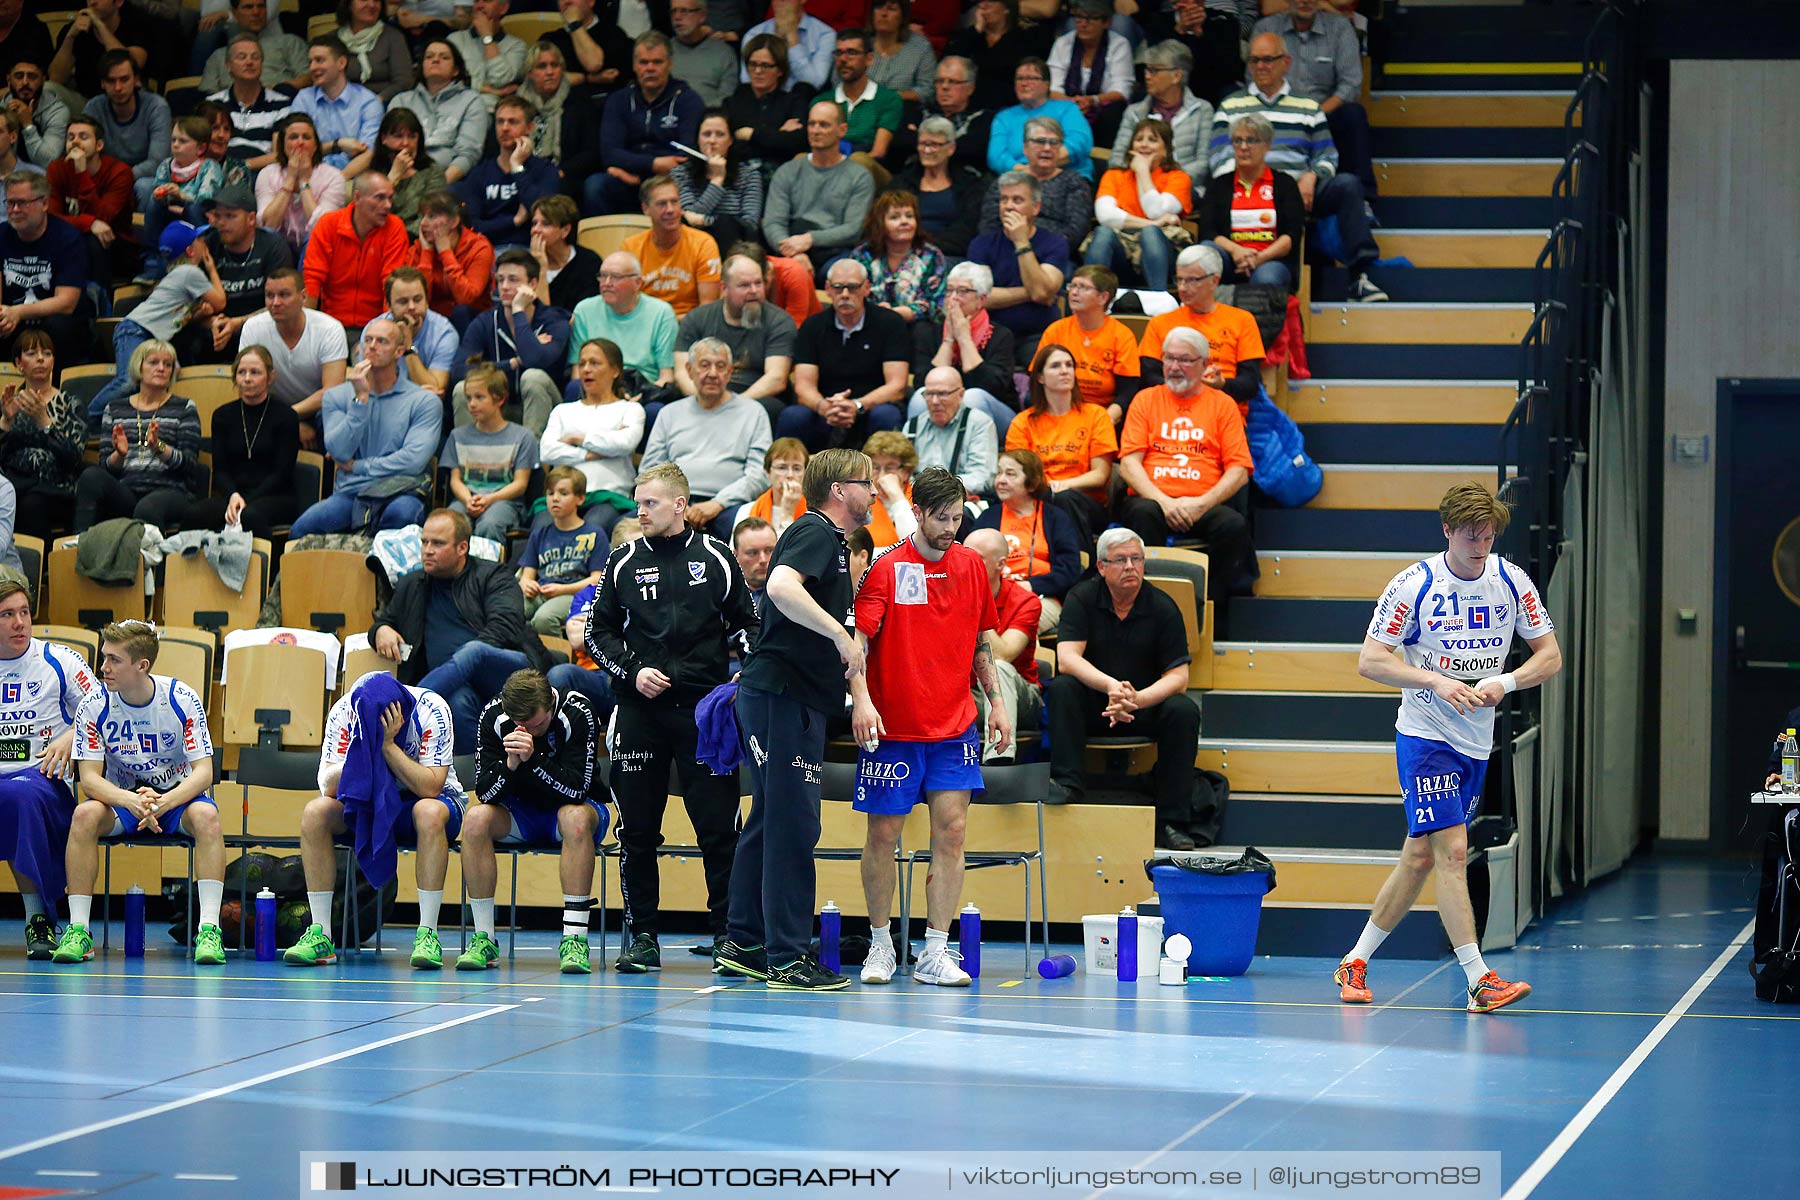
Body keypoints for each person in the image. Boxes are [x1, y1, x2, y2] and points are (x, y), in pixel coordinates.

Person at [1341, 483, 1562, 1014]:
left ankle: (1355, 960)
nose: (1480, 547)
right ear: (1446, 531)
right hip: (1425, 736)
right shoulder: (1414, 585)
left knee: (1420, 857)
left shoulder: (1511, 581)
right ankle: (1478, 979)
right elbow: (1371, 661)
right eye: (1470, 536)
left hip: (1475, 740)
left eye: (1488, 537)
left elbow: (1550, 656)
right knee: (1454, 852)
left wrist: (1505, 683)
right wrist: (1433, 682)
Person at [587, 462, 758, 970]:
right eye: (637, 502)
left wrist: (748, 675)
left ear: (680, 505)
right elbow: (597, 634)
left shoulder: (718, 557)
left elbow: (746, 626)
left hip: (705, 714)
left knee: (718, 830)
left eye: (650, 503)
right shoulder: (621, 560)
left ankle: (729, 936)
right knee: (637, 832)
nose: (639, 511)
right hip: (640, 712)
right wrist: (634, 669)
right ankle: (643, 938)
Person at [852, 465, 1010, 992]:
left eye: (958, 517)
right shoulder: (886, 569)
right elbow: (859, 646)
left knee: (954, 832)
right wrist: (862, 703)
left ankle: (936, 952)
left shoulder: (970, 566)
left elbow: (981, 643)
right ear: (916, 512)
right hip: (893, 727)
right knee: (884, 836)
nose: (950, 527)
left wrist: (998, 704)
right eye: (941, 517)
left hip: (954, 725)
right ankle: (880, 944)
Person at [718, 448, 871, 991]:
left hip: (788, 698)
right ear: (839, 491)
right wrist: (839, 634)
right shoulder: (816, 532)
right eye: (865, 484)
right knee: (792, 822)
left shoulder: (831, 542)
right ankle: (785, 955)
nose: (873, 493)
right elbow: (781, 587)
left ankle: (742, 942)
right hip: (780, 697)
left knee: (770, 817)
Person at [56, 621, 225, 967]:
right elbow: (89, 778)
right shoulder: (94, 704)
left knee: (208, 816)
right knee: (84, 815)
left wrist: (163, 801)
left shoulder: (181, 698)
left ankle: (209, 929)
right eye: (104, 657)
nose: (103, 668)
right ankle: (78, 929)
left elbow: (204, 771)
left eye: (114, 660)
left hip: (177, 799)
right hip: (124, 801)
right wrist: (132, 800)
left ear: (142, 665)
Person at [284, 671, 467, 969]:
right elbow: (327, 785)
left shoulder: (432, 708)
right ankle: (321, 934)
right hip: (368, 802)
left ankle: (427, 934)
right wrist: (363, 749)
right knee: (315, 812)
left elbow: (431, 787)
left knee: (428, 812)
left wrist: (387, 746)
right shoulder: (345, 711)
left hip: (430, 803)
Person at [1047, 527, 1204, 845]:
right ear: (1102, 566)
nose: (1131, 566)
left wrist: (1137, 699)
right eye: (1120, 560)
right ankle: (1067, 786)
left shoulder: (1163, 606)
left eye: (1137, 559)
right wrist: (1111, 688)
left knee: (1183, 710)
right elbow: (1066, 658)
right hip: (1095, 703)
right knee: (1062, 687)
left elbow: (1179, 677)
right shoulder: (1082, 597)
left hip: (1142, 706)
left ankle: (1173, 822)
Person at [1211, 33, 1385, 302]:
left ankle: (1360, 277)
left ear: (1286, 62)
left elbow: (1327, 156)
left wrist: (1312, 176)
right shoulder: (1231, 106)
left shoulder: (1307, 106)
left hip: (1301, 189)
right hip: (1247, 192)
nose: (1261, 66)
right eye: (1255, 60)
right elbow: (1219, 162)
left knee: (1348, 184)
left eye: (1268, 59)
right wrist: (1261, 186)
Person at [460, 668, 606, 972]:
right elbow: (486, 793)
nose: (530, 731)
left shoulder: (579, 711)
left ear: (550, 704)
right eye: (521, 725)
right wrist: (511, 763)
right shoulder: (494, 716)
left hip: (576, 808)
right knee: (475, 819)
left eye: (537, 725)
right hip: (520, 813)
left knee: (574, 817)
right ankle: (484, 938)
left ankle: (575, 939)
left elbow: (578, 788)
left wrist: (534, 759)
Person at [376, 507, 541, 746]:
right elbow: (385, 620)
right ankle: (471, 776)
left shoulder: (494, 576)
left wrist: (462, 663)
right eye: (424, 542)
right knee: (457, 701)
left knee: (473, 652)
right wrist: (381, 630)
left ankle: (409, 704)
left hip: (506, 671)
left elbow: (505, 627)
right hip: (452, 683)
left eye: (438, 543)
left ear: (462, 548)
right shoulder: (412, 585)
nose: (427, 550)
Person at [0, 579, 99, 960]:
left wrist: (73, 735)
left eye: (24, 613)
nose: (19, 622)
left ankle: (37, 919)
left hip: (42, 781)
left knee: (20, 796)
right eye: (8, 614)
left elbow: (104, 707)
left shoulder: (59, 660)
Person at [289, 317, 442, 536]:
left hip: (399, 491)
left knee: (402, 515)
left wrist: (358, 467)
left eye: (382, 341)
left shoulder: (423, 401)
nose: (372, 346)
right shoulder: (336, 396)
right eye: (368, 340)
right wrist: (360, 399)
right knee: (301, 530)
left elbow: (413, 461)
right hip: (351, 493)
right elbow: (339, 450)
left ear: (399, 352)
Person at [87, 222, 226, 422]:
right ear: (191, 250)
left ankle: (152, 421)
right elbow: (220, 302)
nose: (204, 242)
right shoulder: (190, 273)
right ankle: (85, 419)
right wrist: (211, 268)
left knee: (172, 371)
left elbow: (188, 315)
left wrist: (200, 313)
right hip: (136, 331)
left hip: (151, 337)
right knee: (127, 380)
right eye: (199, 240)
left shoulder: (178, 275)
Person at [639, 337, 772, 538]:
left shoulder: (754, 413)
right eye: (704, 365)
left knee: (748, 531)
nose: (712, 373)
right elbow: (650, 469)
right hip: (673, 504)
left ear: (729, 372)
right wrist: (677, 504)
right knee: (630, 527)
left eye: (720, 366)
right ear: (689, 370)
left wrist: (718, 503)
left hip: (730, 505)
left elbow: (760, 474)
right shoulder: (669, 413)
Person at [76, 339, 203, 532]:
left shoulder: (184, 407)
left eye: (167, 364)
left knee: (147, 508)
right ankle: (79, 547)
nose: (161, 368)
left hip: (170, 491)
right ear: (139, 367)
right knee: (90, 476)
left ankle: (150, 562)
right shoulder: (115, 408)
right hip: (127, 489)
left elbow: (190, 466)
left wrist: (159, 448)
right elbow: (106, 467)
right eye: (154, 362)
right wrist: (119, 455)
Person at [785, 257, 909, 450]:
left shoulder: (890, 323)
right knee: (793, 416)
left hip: (872, 407)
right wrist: (824, 407)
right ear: (827, 289)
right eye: (837, 287)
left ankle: (886, 477)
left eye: (852, 287)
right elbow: (803, 386)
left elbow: (897, 386)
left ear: (866, 288)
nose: (844, 294)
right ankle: (787, 477)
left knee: (887, 415)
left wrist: (857, 405)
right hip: (827, 410)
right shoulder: (812, 326)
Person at [1254, 0, 1374, 198]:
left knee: (1353, 114)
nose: (1305, 1)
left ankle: (1364, 198)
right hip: (1276, 110)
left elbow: (1350, 85)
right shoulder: (1266, 28)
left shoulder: (1340, 27)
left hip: (1325, 112)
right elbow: (1255, 79)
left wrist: (1314, 114)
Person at [183, 344, 303, 537]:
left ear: (270, 377)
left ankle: (268, 566)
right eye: (242, 372)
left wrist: (245, 502)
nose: (247, 379)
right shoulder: (222, 415)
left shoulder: (286, 416)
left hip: (276, 495)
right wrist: (233, 496)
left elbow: (281, 473)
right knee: (194, 515)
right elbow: (220, 469)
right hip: (233, 495)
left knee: (249, 516)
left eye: (255, 372)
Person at [1006, 341, 1116, 542]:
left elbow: (1100, 475)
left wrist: (1061, 486)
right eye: (1056, 366)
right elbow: (1019, 475)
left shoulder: (1096, 415)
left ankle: (1080, 564)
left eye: (1069, 365)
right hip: (1039, 498)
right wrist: (1049, 490)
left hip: (1087, 503)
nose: (1065, 371)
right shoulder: (1023, 422)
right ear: (1040, 377)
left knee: (1064, 499)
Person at [452, 248, 570, 434]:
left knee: (533, 378)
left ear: (532, 284)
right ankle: (470, 457)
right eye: (500, 280)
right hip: (497, 409)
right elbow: (459, 371)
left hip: (545, 410)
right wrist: (512, 363)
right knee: (461, 389)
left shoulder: (553, 321)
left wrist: (518, 310)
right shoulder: (485, 322)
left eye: (513, 280)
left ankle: (532, 459)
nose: (505, 286)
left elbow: (534, 361)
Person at [762, 99, 876, 285]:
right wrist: (794, 252)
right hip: (792, 250)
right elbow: (773, 222)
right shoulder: (788, 171)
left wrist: (810, 239)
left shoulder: (859, 176)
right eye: (812, 124)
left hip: (836, 253)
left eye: (824, 125)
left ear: (842, 130)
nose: (816, 130)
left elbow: (853, 229)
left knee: (842, 273)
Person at [674, 252, 795, 427]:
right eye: (744, 285)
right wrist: (703, 401)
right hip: (704, 392)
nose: (754, 291)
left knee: (767, 408)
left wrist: (730, 405)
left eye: (758, 283)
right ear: (724, 288)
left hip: (754, 397)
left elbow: (776, 378)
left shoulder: (779, 321)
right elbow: (682, 372)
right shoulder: (697, 318)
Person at [968, 445, 1084, 626]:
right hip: (993, 598)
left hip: (1041, 597)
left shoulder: (1055, 518)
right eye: (999, 473)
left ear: (1031, 482)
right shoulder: (988, 517)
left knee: (1016, 619)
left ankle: (1005, 653)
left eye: (1010, 474)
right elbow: (969, 562)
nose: (1001, 480)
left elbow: (1069, 569)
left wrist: (1032, 585)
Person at [539, 338, 645, 533]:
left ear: (615, 371)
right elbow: (547, 452)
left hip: (608, 496)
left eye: (595, 363)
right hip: (562, 496)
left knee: (593, 528)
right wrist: (589, 454)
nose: (586, 369)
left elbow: (625, 443)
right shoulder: (562, 411)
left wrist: (577, 440)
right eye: (582, 364)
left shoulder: (630, 409)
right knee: (542, 528)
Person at [967, 169, 1070, 370]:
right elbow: (978, 298)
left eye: (1017, 200)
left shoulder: (1055, 243)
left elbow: (1041, 293)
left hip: (1037, 333)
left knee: (1045, 372)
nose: (1008, 207)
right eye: (1004, 200)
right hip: (990, 333)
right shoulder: (981, 244)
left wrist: (1021, 241)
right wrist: (1029, 292)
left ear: (1035, 207)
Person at [1138, 243, 1265, 403]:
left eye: (1192, 280)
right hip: (1171, 410)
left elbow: (1250, 384)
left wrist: (1221, 384)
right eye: (1179, 279)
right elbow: (1148, 378)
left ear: (1214, 281)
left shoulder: (1242, 320)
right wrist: (1189, 388)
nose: (1182, 288)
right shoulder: (1160, 323)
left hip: (1222, 410)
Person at [593, 32, 703, 215]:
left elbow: (685, 157)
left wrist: (640, 176)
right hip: (626, 180)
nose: (650, 68)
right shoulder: (619, 100)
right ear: (635, 66)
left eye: (657, 62)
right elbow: (610, 153)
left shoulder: (688, 101)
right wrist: (653, 164)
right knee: (595, 186)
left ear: (670, 64)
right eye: (644, 62)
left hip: (670, 182)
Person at [1195, 112, 1304, 293]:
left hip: (1270, 260)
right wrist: (1237, 251)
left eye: (1251, 140)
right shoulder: (1219, 185)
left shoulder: (1285, 184)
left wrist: (1259, 257)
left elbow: (1291, 235)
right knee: (1205, 253)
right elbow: (1208, 231)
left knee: (1266, 278)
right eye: (1238, 141)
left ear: (1267, 145)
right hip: (1229, 258)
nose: (1244, 147)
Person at [237, 268, 348, 444]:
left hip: (318, 410)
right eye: (269, 295)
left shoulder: (329, 329)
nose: (275, 302)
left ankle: (332, 471)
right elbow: (244, 382)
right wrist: (285, 420)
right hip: (269, 407)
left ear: (303, 297)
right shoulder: (253, 327)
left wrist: (288, 417)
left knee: (335, 416)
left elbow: (332, 391)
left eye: (284, 295)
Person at [963, 527, 1042, 763]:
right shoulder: (946, 595)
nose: (966, 564)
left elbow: (1003, 654)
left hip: (1020, 697)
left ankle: (998, 761)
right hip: (969, 695)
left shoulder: (1026, 602)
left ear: (1000, 564)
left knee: (1000, 667)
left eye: (976, 557)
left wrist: (976, 601)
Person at [1086, 117, 1191, 291]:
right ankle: (1092, 296)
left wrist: (1142, 171)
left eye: (1152, 140)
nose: (1144, 145)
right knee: (1103, 233)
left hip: (1164, 253)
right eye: (1139, 139)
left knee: (1151, 233)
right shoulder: (1114, 175)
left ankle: (1159, 300)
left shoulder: (1178, 178)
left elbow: (1155, 211)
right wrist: (1154, 223)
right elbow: (1105, 216)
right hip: (1122, 253)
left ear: (1166, 150)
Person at [0, 169, 89, 365]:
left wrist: (18, 312)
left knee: (59, 326)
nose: (14, 210)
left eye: (22, 203)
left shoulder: (68, 238)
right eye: (10, 203)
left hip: (57, 324)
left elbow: (66, 303)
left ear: (45, 204)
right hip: (13, 323)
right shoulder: (1, 235)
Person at [0, 332, 84, 539]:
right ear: (19, 364)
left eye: (46, 353)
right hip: (14, 486)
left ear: (53, 362)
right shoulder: (7, 404)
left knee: (31, 503)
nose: (40, 358)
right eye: (31, 353)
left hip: (57, 488)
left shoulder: (71, 404)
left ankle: (42, 568)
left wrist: (44, 422)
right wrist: (6, 422)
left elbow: (73, 459)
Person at [303, 172, 409, 334]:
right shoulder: (328, 224)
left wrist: (383, 331)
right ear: (357, 197)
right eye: (380, 198)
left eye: (390, 198)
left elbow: (391, 285)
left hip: (375, 325)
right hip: (330, 325)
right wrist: (308, 332)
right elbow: (312, 280)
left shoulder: (395, 228)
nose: (388, 205)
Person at [443, 363, 537, 542]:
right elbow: (455, 479)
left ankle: (488, 570)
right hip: (466, 500)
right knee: (450, 524)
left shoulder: (523, 436)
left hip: (505, 501)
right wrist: (468, 500)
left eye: (479, 397)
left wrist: (489, 499)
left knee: (489, 524)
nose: (472, 404)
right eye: (469, 398)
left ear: (500, 399)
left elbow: (520, 484)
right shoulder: (457, 436)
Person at [1037, 264, 1141, 424]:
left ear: (1103, 297)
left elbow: (1127, 393)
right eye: (1072, 286)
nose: (1074, 292)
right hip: (1059, 410)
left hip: (1104, 415)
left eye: (1083, 287)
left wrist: (1104, 421)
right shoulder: (1056, 330)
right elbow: (1038, 378)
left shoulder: (1122, 335)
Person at [454, 95, 560, 252]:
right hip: (487, 251)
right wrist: (515, 221)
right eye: (500, 121)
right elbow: (473, 226)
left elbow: (545, 215)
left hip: (531, 249)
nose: (505, 128)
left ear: (530, 127)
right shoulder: (479, 173)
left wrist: (517, 167)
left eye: (513, 122)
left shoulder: (544, 170)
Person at [567, 251, 679, 399]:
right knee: (573, 388)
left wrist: (640, 398)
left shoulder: (661, 313)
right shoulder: (584, 310)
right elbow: (577, 373)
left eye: (615, 277)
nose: (606, 283)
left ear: (637, 283)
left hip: (643, 389)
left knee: (654, 411)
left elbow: (666, 376)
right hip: (597, 386)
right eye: (603, 276)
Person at [978, 114, 1093, 250]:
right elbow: (988, 227)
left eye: (1054, 142)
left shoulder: (1074, 182)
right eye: (1040, 141)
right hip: (1005, 249)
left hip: (1053, 254)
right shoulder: (1007, 181)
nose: (1047, 148)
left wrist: (1033, 246)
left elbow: (1075, 232)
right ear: (1025, 148)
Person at [519, 466, 608, 633]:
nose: (555, 498)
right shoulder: (539, 534)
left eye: (563, 493)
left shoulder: (595, 534)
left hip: (575, 595)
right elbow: (526, 576)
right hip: (541, 592)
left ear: (580, 499)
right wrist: (528, 585)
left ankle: (555, 658)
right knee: (511, 611)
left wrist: (562, 589)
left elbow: (597, 580)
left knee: (544, 619)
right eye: (550, 493)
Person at [1109, 39, 1213, 182]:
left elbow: (1203, 164)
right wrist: (1143, 179)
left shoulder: (1202, 110)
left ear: (1177, 76)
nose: (1147, 76)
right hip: (1137, 187)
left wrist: (1168, 181)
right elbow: (1117, 159)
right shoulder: (1134, 112)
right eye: (1147, 69)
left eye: (1154, 70)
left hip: (1184, 190)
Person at [388, 38, 489, 184]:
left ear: (456, 70)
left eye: (444, 57)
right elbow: (387, 146)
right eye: (429, 57)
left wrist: (438, 185)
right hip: (402, 177)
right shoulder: (401, 101)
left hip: (448, 181)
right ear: (421, 66)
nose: (435, 60)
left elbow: (468, 154)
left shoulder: (471, 101)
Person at [624, 174, 723, 319]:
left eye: (674, 202)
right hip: (645, 327)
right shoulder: (631, 247)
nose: (670, 210)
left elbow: (707, 310)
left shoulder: (703, 244)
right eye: (662, 204)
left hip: (690, 328)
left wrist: (668, 323)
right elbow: (626, 304)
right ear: (646, 209)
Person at [883, 115, 984, 258]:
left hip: (948, 256)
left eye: (934, 145)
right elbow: (882, 220)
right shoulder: (901, 183)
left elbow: (967, 230)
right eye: (923, 144)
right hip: (902, 253)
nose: (927, 150)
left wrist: (924, 245)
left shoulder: (969, 186)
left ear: (951, 148)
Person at [48, 116, 134, 280]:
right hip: (69, 237)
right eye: (70, 137)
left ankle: (99, 300)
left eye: (83, 137)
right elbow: (50, 218)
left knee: (94, 240)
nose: (75, 142)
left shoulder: (119, 172)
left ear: (99, 145)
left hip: (113, 245)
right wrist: (89, 223)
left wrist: (81, 173)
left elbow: (104, 217)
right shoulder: (56, 168)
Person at [84, 52, 172, 211]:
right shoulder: (94, 108)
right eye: (111, 81)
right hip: (105, 177)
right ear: (102, 83)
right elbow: (85, 154)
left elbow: (158, 161)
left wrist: (119, 178)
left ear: (136, 80)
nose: (118, 87)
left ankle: (143, 235)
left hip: (141, 177)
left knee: (145, 187)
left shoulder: (156, 107)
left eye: (124, 79)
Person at [290, 34, 383, 180]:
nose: (313, 68)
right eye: (310, 62)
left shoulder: (368, 101)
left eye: (319, 60)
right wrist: (336, 145)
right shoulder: (304, 99)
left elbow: (368, 154)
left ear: (341, 63)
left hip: (352, 179)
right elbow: (295, 150)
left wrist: (336, 183)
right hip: (308, 176)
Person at [675, 109, 765, 257]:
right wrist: (717, 181)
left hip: (736, 249)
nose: (712, 141)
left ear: (730, 141)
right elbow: (687, 218)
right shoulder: (681, 173)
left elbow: (750, 225)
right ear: (698, 139)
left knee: (726, 223)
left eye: (720, 134)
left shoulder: (750, 175)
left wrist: (706, 220)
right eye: (706, 134)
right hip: (692, 246)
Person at [256, 113, 347, 258]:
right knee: (267, 236)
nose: (300, 142)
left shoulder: (333, 177)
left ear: (315, 146)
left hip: (315, 249)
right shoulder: (267, 174)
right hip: (278, 248)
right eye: (293, 137)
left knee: (314, 238)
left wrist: (304, 183)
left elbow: (324, 228)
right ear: (283, 145)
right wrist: (290, 180)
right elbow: (267, 225)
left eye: (306, 137)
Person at [989, 58, 1094, 183]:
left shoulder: (1067, 109)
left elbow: (1079, 142)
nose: (1024, 83)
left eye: (1031, 78)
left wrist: (1041, 166)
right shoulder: (1004, 117)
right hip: (1018, 178)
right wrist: (1025, 172)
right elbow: (996, 156)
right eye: (1020, 78)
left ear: (1047, 84)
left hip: (1065, 176)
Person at [852, 190, 946, 328]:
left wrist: (906, 313)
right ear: (880, 223)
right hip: (870, 323)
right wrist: (876, 310)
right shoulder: (862, 255)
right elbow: (852, 295)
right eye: (895, 217)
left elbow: (937, 305)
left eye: (909, 216)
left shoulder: (932, 255)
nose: (904, 222)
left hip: (915, 326)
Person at [900, 367, 997, 498]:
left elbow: (982, 477)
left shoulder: (979, 423)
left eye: (942, 394)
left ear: (961, 394)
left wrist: (935, 490)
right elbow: (901, 472)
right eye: (929, 394)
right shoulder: (912, 426)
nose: (934, 401)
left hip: (960, 502)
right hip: (917, 501)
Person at [1048, 0, 1134, 147]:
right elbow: (1052, 87)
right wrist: (1073, 103)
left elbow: (1122, 91)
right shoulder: (1063, 43)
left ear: (1106, 22)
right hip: (1068, 106)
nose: (1083, 24)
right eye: (1079, 18)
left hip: (1102, 111)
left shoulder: (1119, 45)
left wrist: (1092, 100)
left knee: (1114, 110)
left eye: (1091, 18)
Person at [723, 34, 811, 171]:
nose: (758, 71)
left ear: (780, 70)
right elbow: (729, 148)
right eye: (753, 64)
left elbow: (797, 143)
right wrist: (777, 134)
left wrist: (751, 134)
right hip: (740, 176)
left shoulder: (794, 102)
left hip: (781, 174)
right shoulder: (732, 103)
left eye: (765, 65)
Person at [408, 187, 493, 328]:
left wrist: (446, 253)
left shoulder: (478, 247)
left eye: (432, 216)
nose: (423, 223)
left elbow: (467, 299)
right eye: (422, 216)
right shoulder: (418, 249)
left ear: (454, 222)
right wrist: (427, 255)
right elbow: (416, 299)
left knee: (461, 312)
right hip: (432, 321)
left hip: (472, 321)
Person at [209, 38, 295, 174]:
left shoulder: (282, 104)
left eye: (255, 57)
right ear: (228, 65)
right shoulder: (212, 104)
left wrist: (241, 166)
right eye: (242, 57)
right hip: (218, 173)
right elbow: (202, 148)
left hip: (263, 174)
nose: (249, 62)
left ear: (262, 63)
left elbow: (279, 155)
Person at [820, 27, 902, 162]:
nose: (843, 59)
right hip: (828, 167)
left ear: (869, 59)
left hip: (869, 170)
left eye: (851, 52)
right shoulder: (822, 102)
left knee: (861, 160)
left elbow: (878, 153)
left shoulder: (889, 99)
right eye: (839, 53)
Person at [904, 55, 993, 177]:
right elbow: (900, 143)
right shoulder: (919, 112)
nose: (944, 87)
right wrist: (949, 146)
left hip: (964, 184)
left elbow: (974, 150)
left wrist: (920, 139)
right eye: (940, 81)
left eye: (953, 81)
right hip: (915, 179)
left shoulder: (982, 118)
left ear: (970, 88)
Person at [49, 0, 154, 99]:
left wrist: (100, 26)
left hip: (124, 98)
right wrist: (70, 37)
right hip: (87, 102)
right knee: (49, 89)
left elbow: (135, 64)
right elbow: (55, 78)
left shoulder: (136, 25)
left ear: (119, 2)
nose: (92, 2)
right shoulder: (76, 30)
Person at [945, 0, 1033, 113]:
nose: (982, 6)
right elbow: (948, 64)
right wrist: (976, 30)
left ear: (1006, 8)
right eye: (980, 1)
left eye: (990, 2)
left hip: (1006, 107)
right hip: (967, 107)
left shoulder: (1023, 40)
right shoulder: (969, 36)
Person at [201, 0, 309, 91]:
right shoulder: (218, 56)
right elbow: (208, 95)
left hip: (282, 104)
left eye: (261, 6)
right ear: (234, 13)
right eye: (248, 7)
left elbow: (308, 78)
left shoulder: (289, 42)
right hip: (234, 110)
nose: (256, 12)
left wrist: (272, 91)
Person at [369, 108, 446, 235]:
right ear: (384, 138)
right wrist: (393, 177)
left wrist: (401, 237)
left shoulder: (431, 170)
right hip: (378, 238)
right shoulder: (373, 172)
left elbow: (434, 214)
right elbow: (368, 215)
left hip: (417, 239)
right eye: (398, 136)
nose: (406, 143)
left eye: (412, 136)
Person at [447, 0, 528, 113]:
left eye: (487, 1)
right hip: (454, 109)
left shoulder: (517, 46)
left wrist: (487, 36)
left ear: (503, 8)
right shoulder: (455, 40)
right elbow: (447, 80)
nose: (479, 6)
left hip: (492, 113)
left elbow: (500, 80)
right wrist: (490, 90)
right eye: (476, 1)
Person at [738, 0, 835, 94]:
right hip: (765, 101)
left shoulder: (825, 34)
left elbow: (815, 83)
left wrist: (792, 39)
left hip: (806, 103)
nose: (780, 1)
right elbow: (747, 80)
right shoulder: (754, 34)